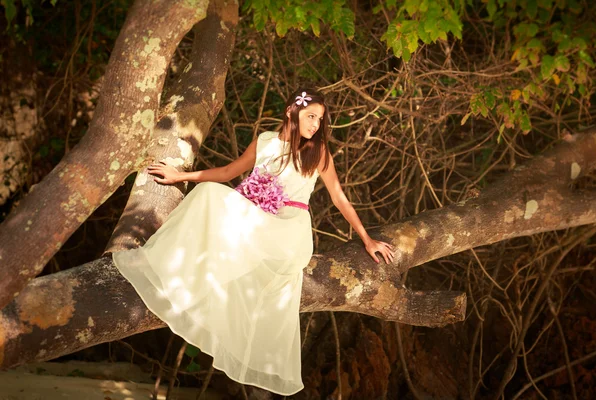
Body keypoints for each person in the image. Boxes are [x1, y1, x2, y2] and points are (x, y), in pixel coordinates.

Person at [112, 88, 395, 395]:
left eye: (320, 119)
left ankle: (205, 281)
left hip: (289, 230)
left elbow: (339, 198)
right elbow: (228, 172)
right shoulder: (265, 142)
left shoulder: (318, 152)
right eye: (311, 116)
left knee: (225, 212)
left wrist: (367, 239)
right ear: (291, 111)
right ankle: (179, 275)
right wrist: (180, 176)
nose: (315, 124)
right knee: (208, 195)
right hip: (258, 220)